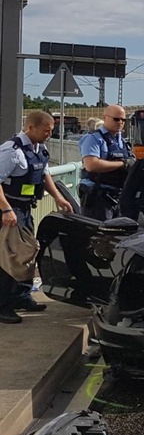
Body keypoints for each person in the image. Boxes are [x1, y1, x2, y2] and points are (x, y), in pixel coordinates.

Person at [0, 111, 73, 323]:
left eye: (51, 131)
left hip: (25, 209)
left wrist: (58, 198)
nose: (49, 134)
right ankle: (3, 305)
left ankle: (21, 296)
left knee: (28, 253)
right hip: (10, 211)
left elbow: (44, 174)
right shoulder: (11, 151)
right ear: (30, 128)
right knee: (8, 259)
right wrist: (6, 210)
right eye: (46, 130)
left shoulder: (39, 149)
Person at [79, 105, 134, 221]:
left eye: (123, 120)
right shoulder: (93, 138)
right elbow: (91, 165)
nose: (120, 122)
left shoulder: (122, 141)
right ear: (105, 118)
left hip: (118, 197)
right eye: (116, 119)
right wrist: (123, 164)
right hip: (98, 199)